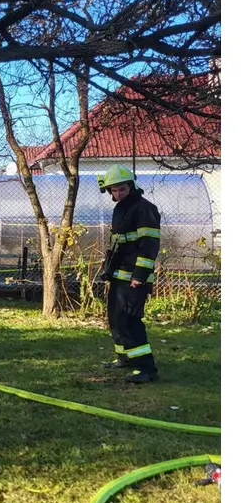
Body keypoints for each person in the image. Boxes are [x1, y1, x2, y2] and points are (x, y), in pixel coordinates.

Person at [98, 164, 161, 384]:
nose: (117, 194)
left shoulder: (144, 209)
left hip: (135, 278)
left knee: (130, 320)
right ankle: (123, 358)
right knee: (115, 318)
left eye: (121, 189)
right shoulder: (121, 208)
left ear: (131, 186)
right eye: (113, 190)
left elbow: (149, 245)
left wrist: (139, 276)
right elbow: (118, 244)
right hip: (119, 274)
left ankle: (145, 368)